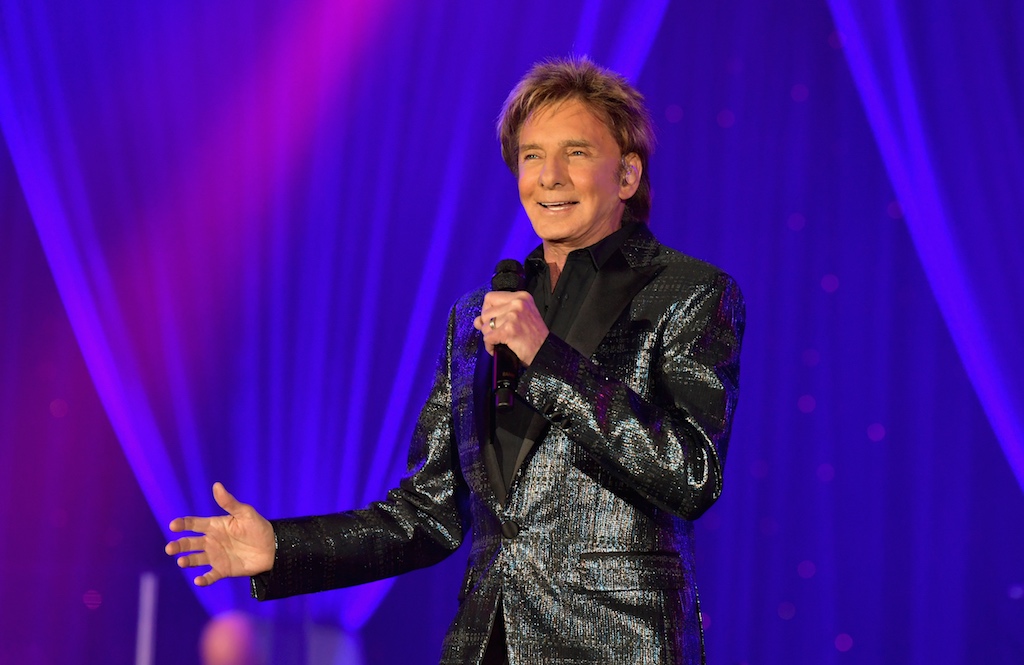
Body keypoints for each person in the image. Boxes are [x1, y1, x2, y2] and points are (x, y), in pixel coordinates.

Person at [166, 56, 745, 665]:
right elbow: (427, 512)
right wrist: (281, 549)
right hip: (484, 643)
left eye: (575, 153)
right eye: (531, 156)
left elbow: (692, 475)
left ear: (626, 174)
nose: (549, 176)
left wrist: (546, 358)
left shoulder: (687, 293)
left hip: (619, 645)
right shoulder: (481, 313)